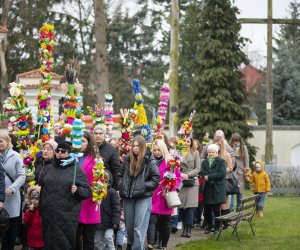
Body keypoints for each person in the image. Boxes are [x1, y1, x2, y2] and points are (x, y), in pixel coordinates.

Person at [39, 141, 91, 250]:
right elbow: (43, 189)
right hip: (48, 214)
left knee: (63, 245)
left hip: (66, 215)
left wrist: (77, 191)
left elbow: (87, 191)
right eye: (57, 151)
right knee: (48, 243)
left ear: (70, 153)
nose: (59, 153)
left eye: (63, 151)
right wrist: (41, 208)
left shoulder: (75, 169)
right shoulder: (50, 167)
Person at [119, 135, 160, 250]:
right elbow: (119, 176)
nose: (135, 148)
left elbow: (156, 180)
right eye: (133, 146)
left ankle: (137, 248)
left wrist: (141, 186)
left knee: (139, 226)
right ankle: (131, 245)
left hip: (143, 197)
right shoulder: (127, 159)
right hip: (129, 197)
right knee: (130, 225)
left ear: (142, 147)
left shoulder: (149, 160)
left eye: (138, 146)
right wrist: (123, 186)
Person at [147, 139, 181, 249]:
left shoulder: (170, 162)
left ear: (163, 150)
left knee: (165, 223)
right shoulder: (149, 161)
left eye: (159, 150)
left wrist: (172, 185)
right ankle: (151, 243)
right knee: (152, 220)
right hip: (153, 195)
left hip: (166, 195)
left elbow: (179, 178)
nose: (156, 152)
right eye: (154, 150)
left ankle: (164, 245)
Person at [0, 131, 26, 250]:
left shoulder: (15, 156)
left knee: (9, 234)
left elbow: (22, 176)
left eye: (1, 141)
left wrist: (12, 188)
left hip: (11, 199)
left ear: (7, 142)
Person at [76, 131, 101, 250]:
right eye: (79, 140)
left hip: (90, 202)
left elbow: (101, 180)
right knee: (74, 238)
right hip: (74, 201)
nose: (80, 143)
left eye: (83, 141)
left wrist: (99, 196)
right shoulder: (72, 157)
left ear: (89, 143)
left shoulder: (96, 159)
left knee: (88, 239)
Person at [201, 143, 226, 235]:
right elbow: (203, 172)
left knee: (216, 210)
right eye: (210, 152)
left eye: (213, 152)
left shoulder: (221, 161)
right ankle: (209, 225)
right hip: (208, 189)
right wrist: (206, 176)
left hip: (217, 189)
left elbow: (222, 173)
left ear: (217, 152)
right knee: (207, 210)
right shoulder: (204, 162)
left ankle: (217, 227)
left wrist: (209, 177)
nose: (211, 154)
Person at [178, 138, 201, 238]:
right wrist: (180, 174)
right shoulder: (178, 152)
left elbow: (198, 168)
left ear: (191, 142)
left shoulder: (195, 153)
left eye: (188, 141)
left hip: (192, 181)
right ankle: (184, 228)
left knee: (189, 206)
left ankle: (188, 229)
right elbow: (174, 166)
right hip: (181, 181)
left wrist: (188, 174)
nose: (186, 143)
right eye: (184, 141)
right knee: (182, 206)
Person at [94, 171, 120, 250]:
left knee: (108, 237)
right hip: (99, 222)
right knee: (97, 241)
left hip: (109, 222)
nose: (103, 181)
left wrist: (115, 221)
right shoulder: (96, 192)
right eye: (101, 179)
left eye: (105, 179)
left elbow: (116, 207)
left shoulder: (112, 192)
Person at [93, 124, 121, 189]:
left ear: (104, 135)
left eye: (100, 133)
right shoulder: (90, 148)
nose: (98, 135)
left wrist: (116, 188)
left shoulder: (112, 150)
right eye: (96, 133)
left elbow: (116, 171)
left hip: (106, 187)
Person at [215, 138, 233, 228]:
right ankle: (216, 224)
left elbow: (230, 168)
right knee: (216, 204)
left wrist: (222, 170)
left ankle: (226, 223)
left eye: (219, 145)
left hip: (223, 181)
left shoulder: (226, 155)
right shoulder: (212, 154)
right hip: (214, 181)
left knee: (224, 203)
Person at [229, 133, 249, 210]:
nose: (236, 142)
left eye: (237, 141)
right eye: (234, 141)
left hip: (241, 172)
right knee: (232, 190)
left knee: (240, 192)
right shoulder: (229, 147)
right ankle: (231, 209)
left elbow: (246, 160)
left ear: (240, 140)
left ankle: (239, 209)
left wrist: (247, 172)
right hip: (232, 171)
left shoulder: (243, 148)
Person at [23, 185, 44, 249]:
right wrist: (30, 212)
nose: (34, 201)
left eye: (36, 199)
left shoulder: (43, 211)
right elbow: (26, 222)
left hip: (42, 241)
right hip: (32, 242)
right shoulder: (29, 211)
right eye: (32, 198)